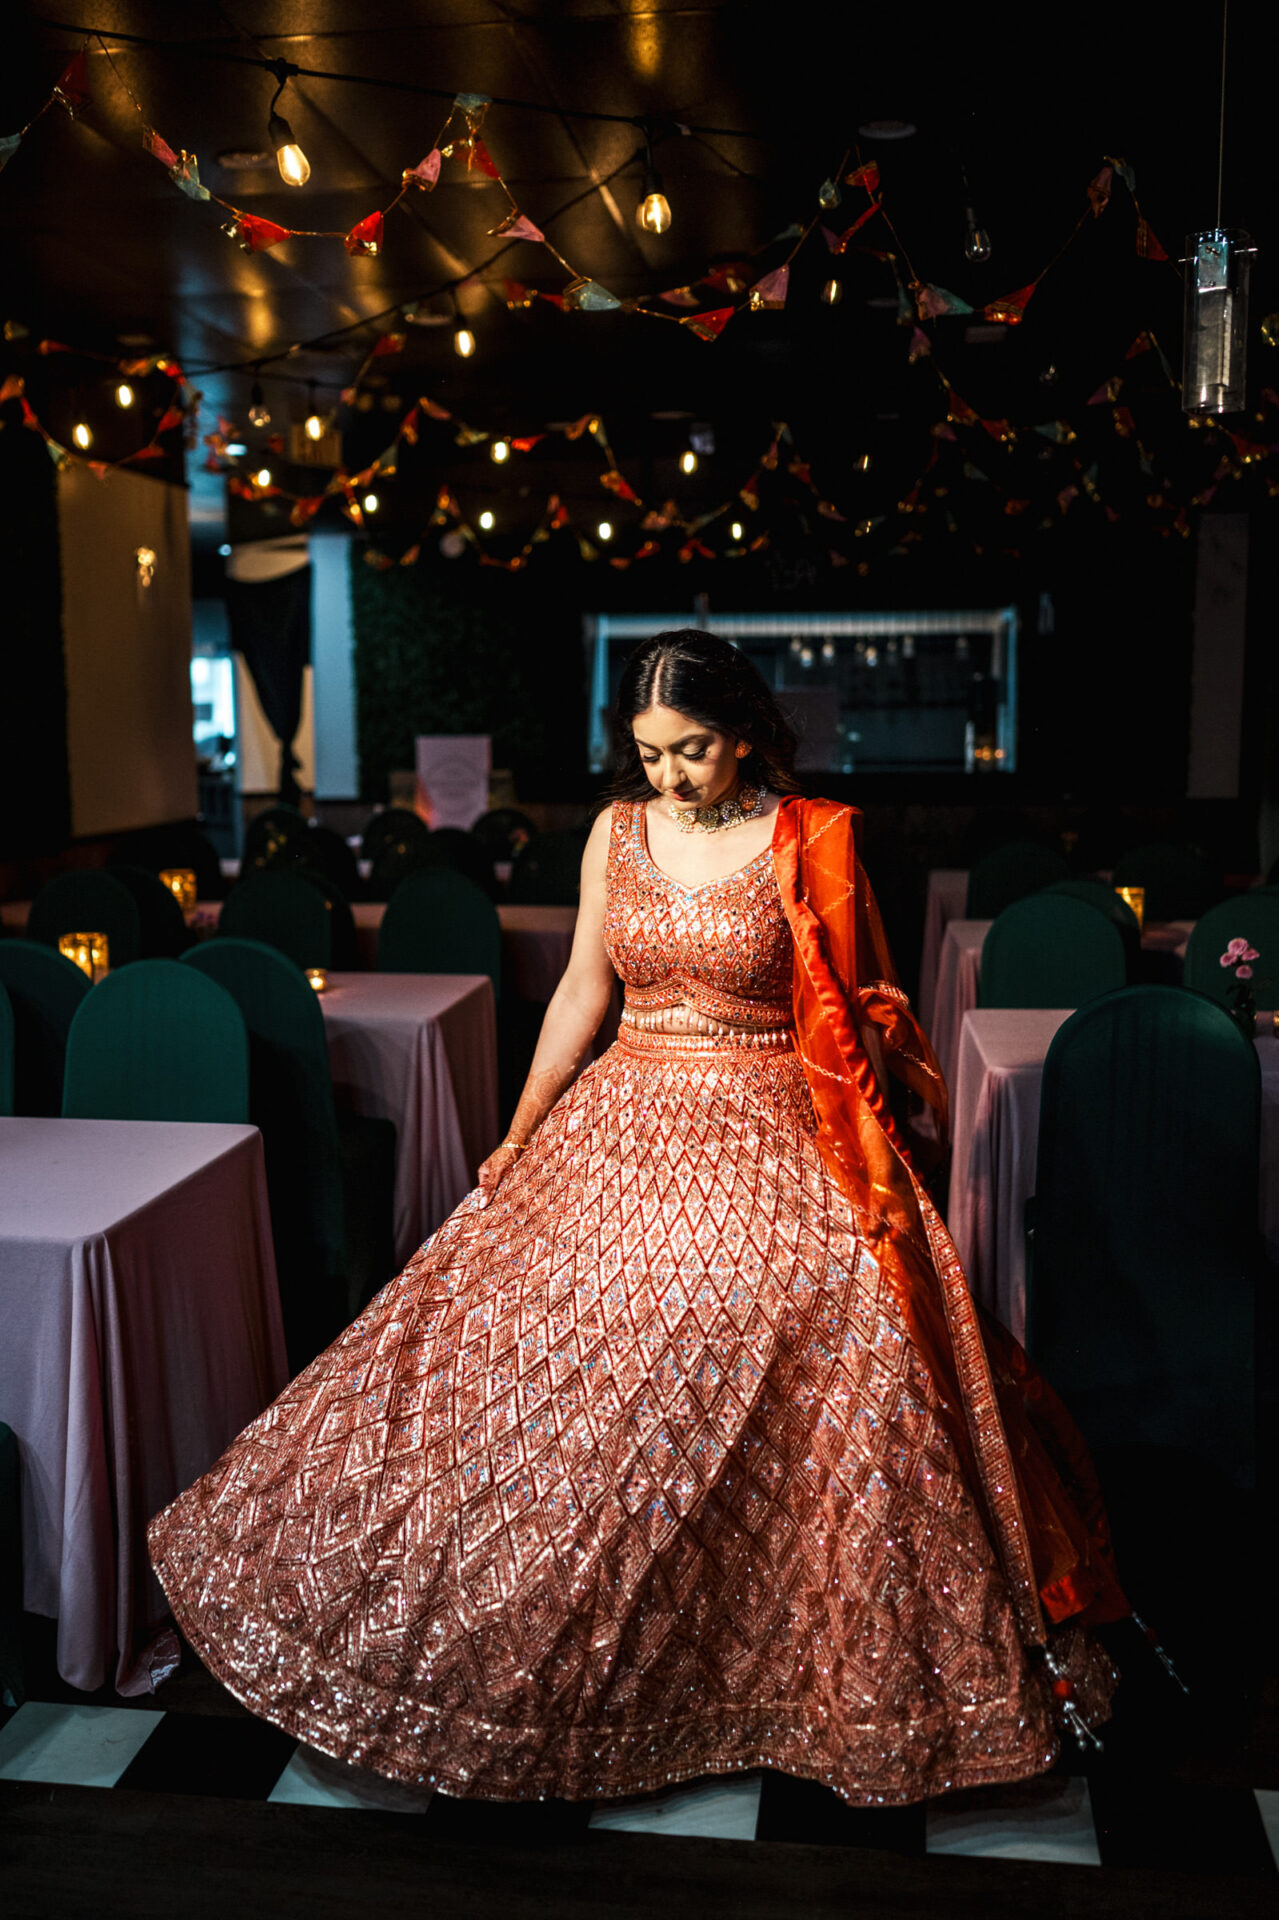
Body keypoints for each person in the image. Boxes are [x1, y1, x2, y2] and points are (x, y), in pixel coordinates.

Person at [149, 628, 1126, 1806]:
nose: (666, 775)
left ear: (746, 732)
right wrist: (517, 1135)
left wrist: (883, 1145)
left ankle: (792, 1659)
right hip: (625, 1104)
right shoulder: (616, 835)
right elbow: (582, 989)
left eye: (692, 750)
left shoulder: (810, 836)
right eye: (649, 752)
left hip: (778, 1108)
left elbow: (856, 1007)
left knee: (834, 1306)